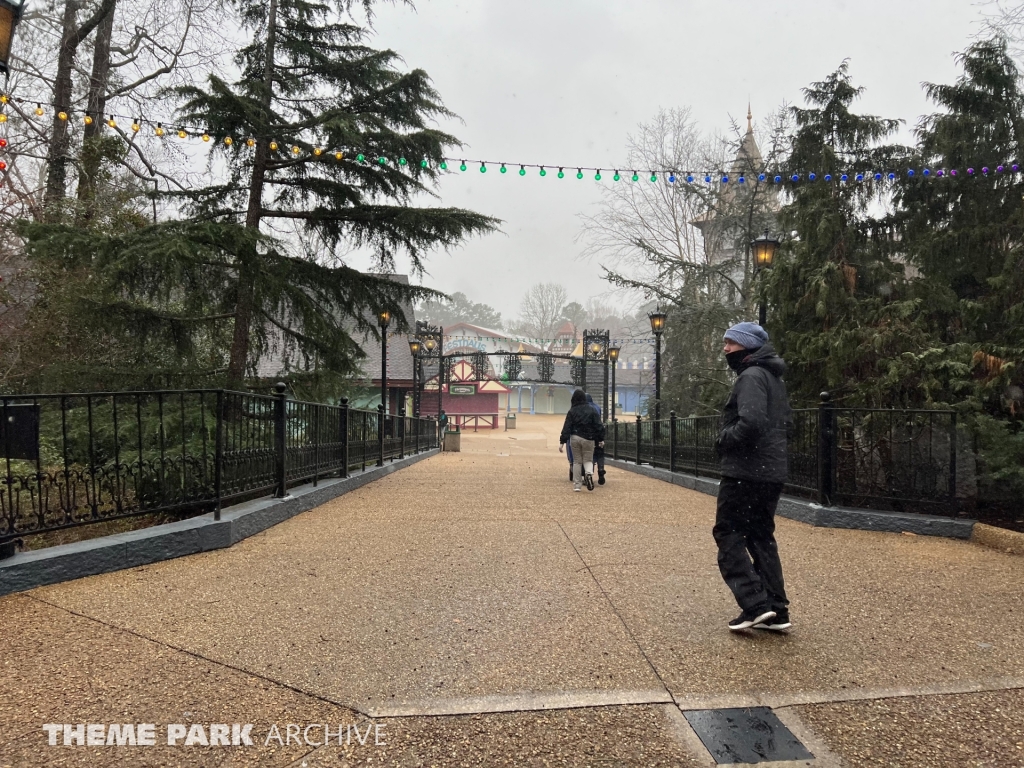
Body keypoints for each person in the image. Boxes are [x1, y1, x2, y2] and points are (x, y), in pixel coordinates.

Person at [714, 322, 793, 632]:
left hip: (746, 472)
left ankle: (755, 604)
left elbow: (752, 422)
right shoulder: (774, 380)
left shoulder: (751, 376)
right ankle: (777, 609)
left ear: (747, 347)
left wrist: (724, 440)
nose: (726, 349)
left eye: (731, 343)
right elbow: (786, 425)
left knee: (727, 533)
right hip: (770, 471)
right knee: (761, 537)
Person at [559, 389, 604, 492]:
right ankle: (588, 474)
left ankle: (577, 485)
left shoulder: (572, 411)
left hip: (575, 437)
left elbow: (567, 427)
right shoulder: (592, 410)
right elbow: (598, 425)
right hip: (589, 438)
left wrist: (562, 442)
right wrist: (600, 439)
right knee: (588, 460)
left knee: (577, 461)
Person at [585, 393, 607, 485]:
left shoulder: (585, 408)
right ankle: (601, 469)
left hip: (588, 433)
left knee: (590, 454)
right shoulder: (597, 407)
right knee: (600, 452)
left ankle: (590, 474)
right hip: (598, 432)